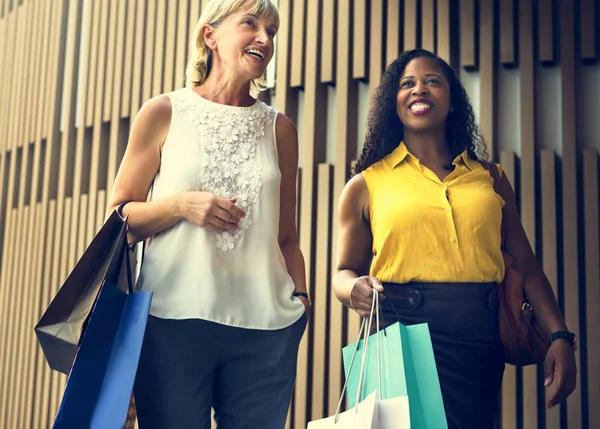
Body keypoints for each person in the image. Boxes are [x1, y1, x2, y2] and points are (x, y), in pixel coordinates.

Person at [332, 49, 577, 428]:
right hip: (401, 334)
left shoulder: (490, 178)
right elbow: (343, 272)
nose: (420, 89)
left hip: (479, 342)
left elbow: (526, 266)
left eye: (433, 81)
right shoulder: (365, 185)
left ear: (452, 102)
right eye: (407, 84)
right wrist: (353, 289)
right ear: (392, 103)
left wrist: (559, 334)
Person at [106, 1, 309, 427]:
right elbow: (119, 217)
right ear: (210, 36)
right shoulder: (164, 111)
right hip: (172, 320)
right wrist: (182, 205)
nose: (265, 38)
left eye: (272, 30)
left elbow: (286, 237)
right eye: (251, 23)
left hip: (266, 326)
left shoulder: (281, 129)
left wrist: (300, 305)